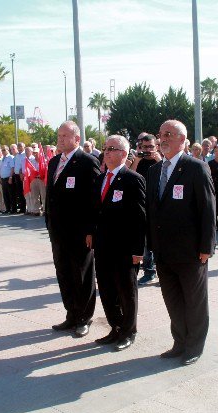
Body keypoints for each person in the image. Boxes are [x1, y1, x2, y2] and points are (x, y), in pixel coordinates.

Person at [146, 119, 215, 366]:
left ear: (183, 140)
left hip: (191, 251)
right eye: (160, 133)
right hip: (163, 252)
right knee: (173, 300)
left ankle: (194, 346)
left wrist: (207, 247)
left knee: (194, 302)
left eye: (169, 134)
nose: (163, 138)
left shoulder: (196, 168)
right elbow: (152, 211)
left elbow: (207, 210)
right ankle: (179, 341)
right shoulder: (154, 171)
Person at [46, 121, 101, 338]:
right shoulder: (54, 162)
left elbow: (95, 199)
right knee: (64, 273)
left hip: (80, 232)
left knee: (82, 274)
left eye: (65, 136)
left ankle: (84, 318)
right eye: (59, 135)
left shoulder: (87, 162)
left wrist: (91, 230)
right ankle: (71, 313)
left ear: (77, 139)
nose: (60, 139)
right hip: (58, 230)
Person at [92, 135, 146, 351]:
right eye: (105, 148)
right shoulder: (100, 179)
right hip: (103, 246)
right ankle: (115, 327)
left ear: (124, 154)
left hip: (125, 248)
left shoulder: (133, 179)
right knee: (106, 289)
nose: (106, 152)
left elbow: (140, 218)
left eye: (112, 149)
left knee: (126, 291)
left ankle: (128, 331)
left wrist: (138, 250)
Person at [131, 132, 161, 285]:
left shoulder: (161, 161)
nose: (147, 150)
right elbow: (131, 176)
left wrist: (158, 159)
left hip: (159, 206)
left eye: (150, 147)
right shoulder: (139, 161)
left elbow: (167, 176)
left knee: (160, 240)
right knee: (145, 241)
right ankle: (149, 271)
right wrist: (136, 159)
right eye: (144, 147)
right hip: (142, 205)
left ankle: (162, 271)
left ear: (157, 147)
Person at [0, 146, 15, 214]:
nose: (3, 151)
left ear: (8, 150)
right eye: (2, 150)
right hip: (3, 179)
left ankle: (13, 209)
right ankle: (7, 208)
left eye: (4, 150)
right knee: (5, 194)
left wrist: (10, 177)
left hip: (8, 178)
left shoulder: (10, 157)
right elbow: (2, 169)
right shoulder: (3, 158)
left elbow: (12, 168)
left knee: (11, 194)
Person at [13, 142, 26, 214]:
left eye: (20, 146)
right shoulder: (17, 155)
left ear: (24, 147)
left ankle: (24, 208)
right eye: (18, 147)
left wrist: (21, 173)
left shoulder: (25, 154)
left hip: (23, 175)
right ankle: (21, 208)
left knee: (24, 192)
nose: (19, 148)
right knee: (19, 192)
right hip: (17, 175)